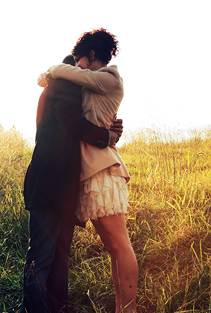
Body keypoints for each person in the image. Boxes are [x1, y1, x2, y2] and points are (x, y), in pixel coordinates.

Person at [44, 28, 138, 313]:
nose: (78, 64)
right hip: (92, 169)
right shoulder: (91, 82)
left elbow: (68, 74)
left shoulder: (110, 78)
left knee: (120, 245)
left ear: (92, 55)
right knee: (113, 248)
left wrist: (55, 68)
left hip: (103, 169)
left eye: (79, 58)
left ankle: (130, 310)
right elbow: (56, 81)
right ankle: (122, 309)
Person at [23, 55, 123, 313]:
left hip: (64, 186)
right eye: (83, 68)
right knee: (43, 257)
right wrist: (105, 134)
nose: (87, 75)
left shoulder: (65, 87)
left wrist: (107, 130)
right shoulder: (63, 83)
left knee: (58, 257)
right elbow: (72, 122)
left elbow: (78, 124)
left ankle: (59, 309)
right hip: (49, 183)